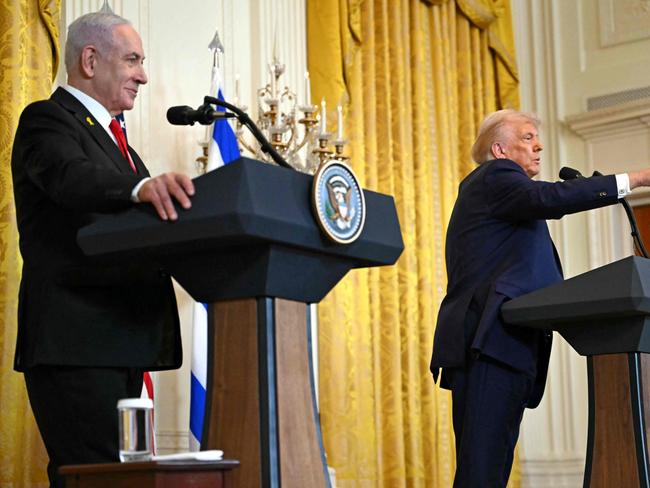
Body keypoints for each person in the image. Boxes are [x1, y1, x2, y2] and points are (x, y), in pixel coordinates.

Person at [11, 12, 195, 487]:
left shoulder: (122, 146)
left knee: (121, 480)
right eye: (132, 60)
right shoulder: (47, 120)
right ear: (90, 61)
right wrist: (139, 190)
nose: (144, 74)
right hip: (77, 346)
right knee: (94, 479)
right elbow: (70, 177)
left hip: (122, 343)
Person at [429, 109, 650, 487]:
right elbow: (552, 196)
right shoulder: (495, 177)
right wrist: (639, 178)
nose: (540, 145)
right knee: (481, 472)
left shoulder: (505, 198)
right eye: (528, 137)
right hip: (489, 342)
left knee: (490, 470)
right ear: (499, 149)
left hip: (502, 344)